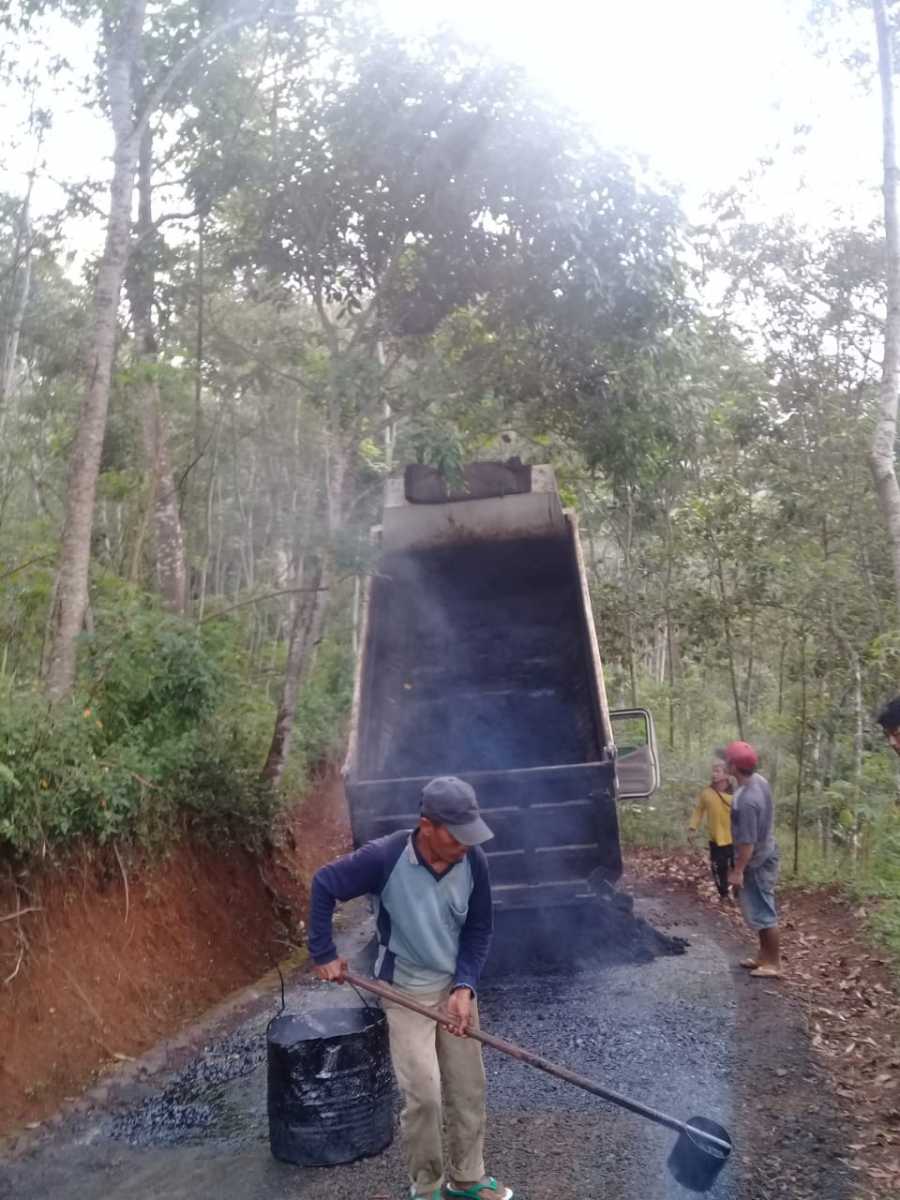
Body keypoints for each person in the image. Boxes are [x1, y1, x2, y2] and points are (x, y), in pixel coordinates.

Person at [308, 775, 513, 1200]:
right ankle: (427, 1186)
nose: (466, 845)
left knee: (467, 1088)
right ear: (427, 827)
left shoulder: (474, 862)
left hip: (454, 989)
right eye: (456, 836)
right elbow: (325, 883)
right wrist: (323, 952)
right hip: (404, 992)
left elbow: (479, 929)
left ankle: (467, 1178)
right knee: (424, 1095)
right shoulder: (385, 857)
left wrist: (464, 986)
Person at [725, 740, 782, 978]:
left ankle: (774, 964)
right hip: (765, 850)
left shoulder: (748, 800)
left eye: (728, 760)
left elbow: (747, 845)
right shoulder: (758, 781)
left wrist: (737, 871)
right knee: (758, 908)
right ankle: (763, 957)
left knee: (763, 910)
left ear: (734, 766)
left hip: (756, 860)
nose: (725, 763)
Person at [688, 758, 734, 902]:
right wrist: (692, 827)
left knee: (737, 868)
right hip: (716, 839)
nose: (714, 774)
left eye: (718, 771)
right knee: (718, 868)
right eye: (713, 771)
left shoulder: (736, 793)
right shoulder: (706, 793)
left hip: (734, 839)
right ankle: (724, 895)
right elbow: (699, 810)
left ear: (726, 774)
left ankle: (739, 894)